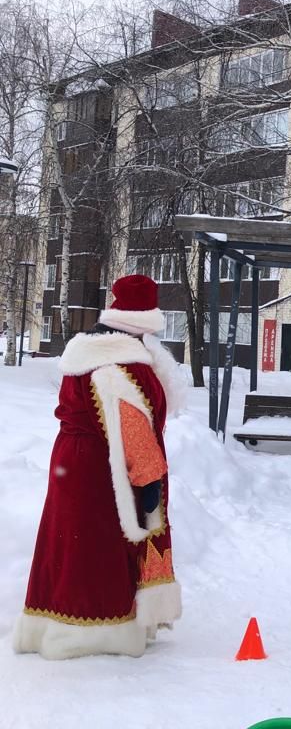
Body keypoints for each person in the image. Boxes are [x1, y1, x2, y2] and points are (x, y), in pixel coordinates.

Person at [14, 274, 183, 659]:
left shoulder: (88, 350)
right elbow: (133, 428)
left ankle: (53, 621)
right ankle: (94, 630)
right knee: (98, 545)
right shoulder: (122, 363)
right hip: (102, 470)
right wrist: (150, 483)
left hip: (74, 461)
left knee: (69, 542)